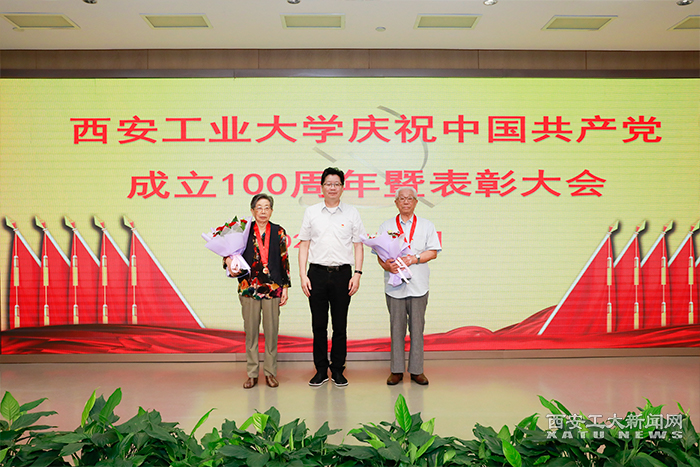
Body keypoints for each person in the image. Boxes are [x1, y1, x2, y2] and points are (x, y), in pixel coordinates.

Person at [298, 167, 365, 387]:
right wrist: (302, 275)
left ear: (343, 187)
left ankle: (337, 369)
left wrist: (357, 273)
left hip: (342, 275)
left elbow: (358, 245)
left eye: (337, 184)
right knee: (318, 326)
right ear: (322, 187)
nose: (333, 188)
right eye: (328, 184)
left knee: (340, 325)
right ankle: (320, 370)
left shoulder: (352, 213)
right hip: (316, 274)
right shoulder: (312, 212)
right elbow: (304, 244)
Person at [225, 193, 291, 389]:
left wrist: (285, 287)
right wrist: (228, 262)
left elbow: (284, 260)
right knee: (251, 333)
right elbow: (229, 254)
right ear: (252, 210)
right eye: (259, 207)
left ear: (272, 211)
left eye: (267, 207)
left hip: (272, 289)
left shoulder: (279, 231)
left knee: (271, 333)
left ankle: (270, 373)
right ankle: (252, 374)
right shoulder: (243, 232)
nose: (263, 211)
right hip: (249, 289)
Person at [376, 187, 441, 386]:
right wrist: (387, 265)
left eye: (409, 198)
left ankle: (417, 371)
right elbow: (379, 254)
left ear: (415, 202)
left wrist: (414, 258)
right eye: (402, 198)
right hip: (395, 286)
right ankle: (396, 371)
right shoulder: (387, 225)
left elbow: (433, 252)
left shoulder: (427, 225)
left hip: (418, 285)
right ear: (396, 202)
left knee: (417, 329)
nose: (405, 202)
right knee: (396, 329)